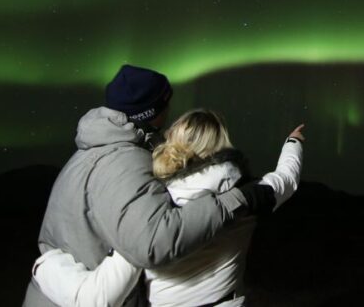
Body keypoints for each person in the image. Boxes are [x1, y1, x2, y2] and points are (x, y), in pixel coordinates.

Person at [23, 65, 277, 307]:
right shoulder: (124, 162)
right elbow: (154, 242)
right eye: (166, 104)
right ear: (153, 113)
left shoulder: (88, 155)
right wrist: (236, 200)